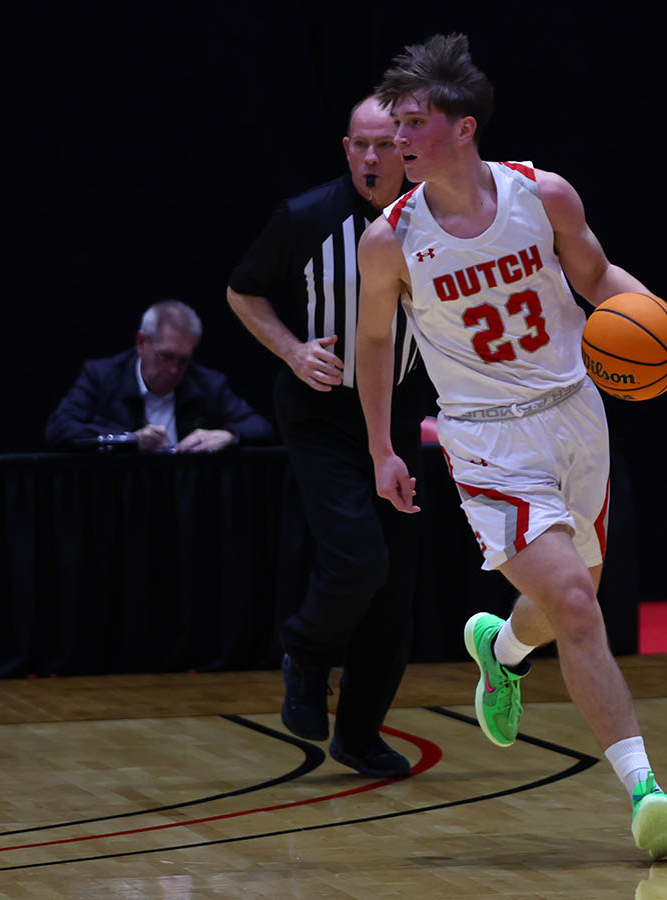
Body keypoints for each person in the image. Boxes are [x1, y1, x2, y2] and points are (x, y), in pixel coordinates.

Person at [354, 34, 667, 859]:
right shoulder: (390, 240)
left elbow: (600, 277)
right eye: (392, 124)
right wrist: (381, 449)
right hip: (484, 441)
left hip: (577, 414)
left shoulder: (542, 196)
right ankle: (648, 794)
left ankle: (500, 652)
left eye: (412, 122)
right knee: (579, 604)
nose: (398, 138)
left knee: (558, 607)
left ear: (461, 128)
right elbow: (371, 344)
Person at [226, 97, 424, 778]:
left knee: (394, 592)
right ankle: (306, 651)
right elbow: (242, 292)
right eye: (360, 146)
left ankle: (360, 735)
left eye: (385, 146)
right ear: (346, 148)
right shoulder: (306, 216)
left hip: (396, 415)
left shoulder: (438, 222)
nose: (372, 159)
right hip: (319, 412)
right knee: (359, 558)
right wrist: (289, 350)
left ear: (407, 148)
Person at [45, 300, 275, 452]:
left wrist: (228, 435)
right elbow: (59, 429)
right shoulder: (101, 376)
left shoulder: (207, 383)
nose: (174, 370)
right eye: (166, 357)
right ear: (141, 343)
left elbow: (261, 426)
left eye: (183, 360)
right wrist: (129, 440)